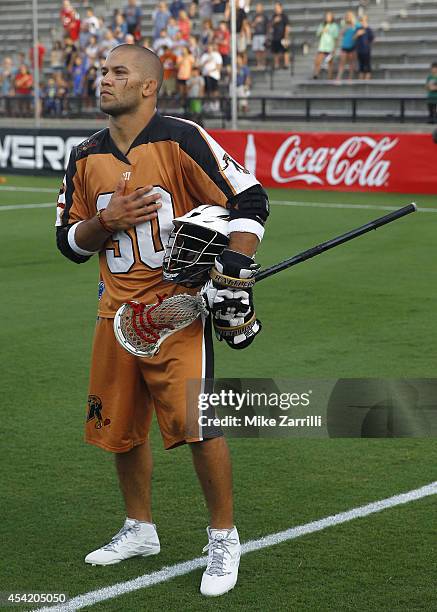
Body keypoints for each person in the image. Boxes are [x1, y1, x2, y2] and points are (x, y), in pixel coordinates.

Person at [55, 43, 268, 597]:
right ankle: (139, 528)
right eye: (102, 71)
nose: (104, 80)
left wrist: (233, 267)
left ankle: (224, 537)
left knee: (199, 426)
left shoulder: (182, 138)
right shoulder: (84, 155)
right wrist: (107, 220)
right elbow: (69, 243)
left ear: (148, 86)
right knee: (122, 431)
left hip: (177, 313)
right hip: (115, 314)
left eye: (118, 72)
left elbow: (250, 199)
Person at [335, 11, 361, 83]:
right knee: (342, 63)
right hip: (345, 46)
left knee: (351, 63)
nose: (348, 18)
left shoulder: (357, 25)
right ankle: (338, 78)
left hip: (352, 46)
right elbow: (341, 34)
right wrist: (345, 28)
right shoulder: (344, 25)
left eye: (349, 16)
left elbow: (361, 31)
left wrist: (353, 25)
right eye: (347, 16)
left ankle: (350, 78)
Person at [313, 12, 339, 80]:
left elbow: (336, 38)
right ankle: (316, 74)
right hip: (322, 46)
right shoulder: (322, 25)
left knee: (329, 63)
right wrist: (322, 31)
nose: (327, 18)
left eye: (329, 16)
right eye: (326, 16)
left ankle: (329, 77)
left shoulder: (334, 26)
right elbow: (317, 34)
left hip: (330, 47)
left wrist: (334, 48)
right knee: (317, 61)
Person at [269, 2, 290, 70]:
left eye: (277, 7)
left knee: (285, 51)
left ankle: (286, 64)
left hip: (283, 37)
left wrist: (286, 36)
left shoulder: (284, 16)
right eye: (275, 8)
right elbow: (269, 26)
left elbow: (287, 26)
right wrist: (274, 21)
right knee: (275, 52)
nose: (276, 9)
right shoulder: (273, 16)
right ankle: (276, 64)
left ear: (281, 8)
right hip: (275, 37)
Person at [355, 14, 374, 80]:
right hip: (359, 50)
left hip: (366, 50)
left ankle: (367, 77)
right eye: (361, 21)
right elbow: (354, 38)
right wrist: (357, 34)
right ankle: (361, 77)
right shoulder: (358, 29)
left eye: (364, 21)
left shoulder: (369, 29)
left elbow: (371, 38)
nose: (363, 22)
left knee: (367, 63)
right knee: (361, 64)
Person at [251, 3, 268, 69]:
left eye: (259, 7)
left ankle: (263, 63)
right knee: (257, 50)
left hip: (263, 35)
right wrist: (256, 22)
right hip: (256, 35)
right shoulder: (254, 16)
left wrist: (267, 35)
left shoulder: (265, 16)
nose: (257, 9)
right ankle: (258, 64)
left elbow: (267, 26)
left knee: (263, 50)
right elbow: (251, 25)